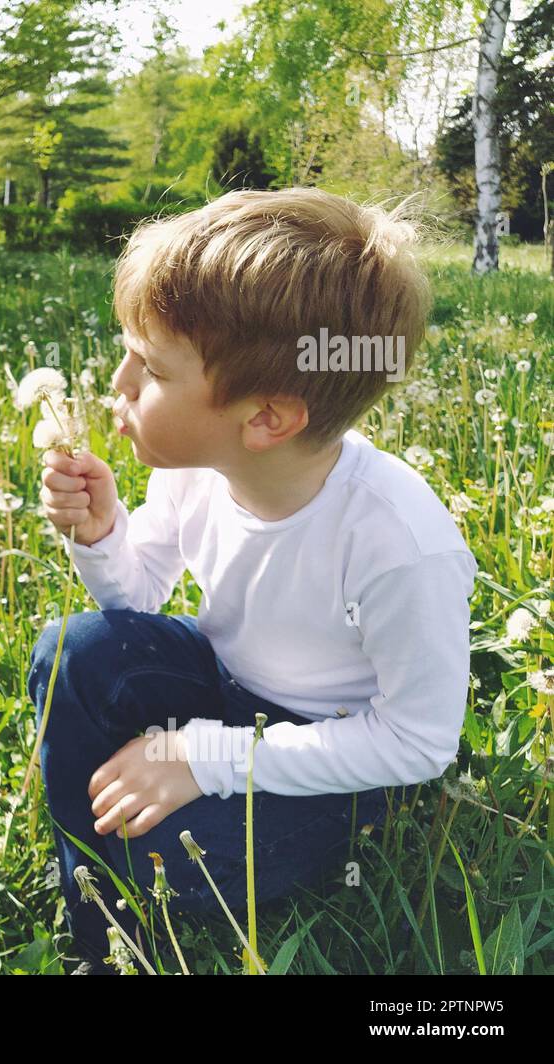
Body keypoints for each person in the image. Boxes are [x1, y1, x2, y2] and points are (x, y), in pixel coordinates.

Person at [27, 187, 477, 973]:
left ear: (267, 418)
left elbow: (417, 742)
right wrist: (101, 536)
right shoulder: (198, 469)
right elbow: (136, 605)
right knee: (79, 650)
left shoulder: (399, 542)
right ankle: (91, 902)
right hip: (230, 689)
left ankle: (121, 871)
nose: (118, 384)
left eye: (153, 368)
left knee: (172, 865)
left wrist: (203, 758)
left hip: (338, 763)